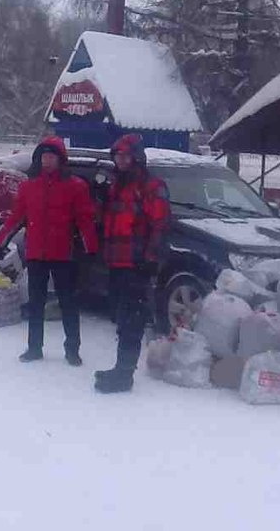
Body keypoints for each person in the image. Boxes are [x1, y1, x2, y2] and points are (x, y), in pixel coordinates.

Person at [0, 136, 98, 365]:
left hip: (63, 255)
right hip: (36, 254)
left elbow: (85, 220)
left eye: (51, 156)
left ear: (60, 160)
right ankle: (34, 348)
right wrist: (0, 240)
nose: (47, 160)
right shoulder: (29, 186)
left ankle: (72, 349)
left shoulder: (76, 187)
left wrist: (91, 248)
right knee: (36, 303)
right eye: (43, 156)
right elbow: (16, 216)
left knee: (68, 304)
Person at [95, 134, 171, 393]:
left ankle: (124, 374)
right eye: (117, 156)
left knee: (132, 320)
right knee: (122, 317)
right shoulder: (117, 185)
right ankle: (120, 367)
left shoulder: (151, 186)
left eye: (126, 156)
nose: (121, 160)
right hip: (118, 262)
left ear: (137, 157)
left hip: (137, 263)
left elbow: (160, 226)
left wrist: (150, 259)